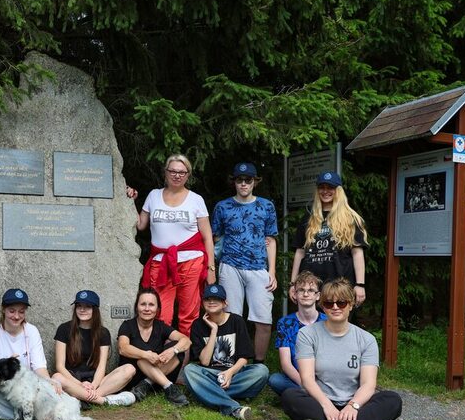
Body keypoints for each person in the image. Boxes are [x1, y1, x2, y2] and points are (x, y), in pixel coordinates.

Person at [281, 278, 402, 420]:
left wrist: (353, 406)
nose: (335, 307)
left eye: (341, 302)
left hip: (355, 404)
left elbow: (369, 384)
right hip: (321, 403)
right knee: (290, 397)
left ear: (351, 305)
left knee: (393, 400)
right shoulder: (307, 334)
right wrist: (328, 406)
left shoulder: (366, 339)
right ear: (322, 306)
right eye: (329, 303)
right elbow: (306, 379)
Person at [127, 154, 215, 336]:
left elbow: (207, 237)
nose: (177, 175)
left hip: (191, 262)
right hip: (162, 263)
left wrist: (211, 269)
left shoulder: (196, 200)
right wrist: (131, 200)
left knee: (188, 314)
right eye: (173, 171)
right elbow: (141, 225)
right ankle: (160, 357)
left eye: (182, 172)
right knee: (160, 313)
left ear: (188, 175)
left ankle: (185, 361)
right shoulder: (153, 195)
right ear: (165, 173)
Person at [211, 162, 278, 362]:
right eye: (239, 180)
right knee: (229, 317)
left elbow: (271, 239)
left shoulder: (266, 206)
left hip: (258, 267)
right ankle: (225, 361)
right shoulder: (222, 207)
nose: (243, 184)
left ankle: (258, 363)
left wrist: (272, 271)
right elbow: (215, 238)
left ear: (254, 182)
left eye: (248, 180)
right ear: (234, 182)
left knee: (264, 319)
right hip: (230, 266)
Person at [183, 284, 268, 420]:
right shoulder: (197, 325)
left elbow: (244, 357)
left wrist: (230, 373)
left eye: (216, 299)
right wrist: (214, 330)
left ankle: (208, 393)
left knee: (261, 371)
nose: (211, 302)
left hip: (234, 374)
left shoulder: (236, 321)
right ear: (203, 303)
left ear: (225, 303)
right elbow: (204, 361)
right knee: (189, 370)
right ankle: (232, 406)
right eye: (208, 299)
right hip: (209, 374)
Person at [0, 288, 63, 420]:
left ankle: (27, 413)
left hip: (25, 387)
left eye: (21, 312)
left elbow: (39, 367)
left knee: (47, 389)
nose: (17, 316)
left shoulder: (31, 331)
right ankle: (28, 415)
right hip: (2, 387)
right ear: (3, 309)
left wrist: (49, 382)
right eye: (12, 311)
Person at [290, 171, 368, 307]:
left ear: (338, 191)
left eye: (330, 187)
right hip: (310, 287)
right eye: (322, 187)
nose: (325, 191)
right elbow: (300, 252)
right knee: (310, 325)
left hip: (340, 285)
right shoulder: (308, 218)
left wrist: (360, 284)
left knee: (337, 325)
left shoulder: (351, 218)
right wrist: (293, 283)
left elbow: (357, 252)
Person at [51, 290, 136, 407]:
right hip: (72, 379)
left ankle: (82, 398)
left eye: (87, 307)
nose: (82, 309)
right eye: (79, 306)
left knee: (129, 369)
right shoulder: (64, 329)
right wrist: (80, 384)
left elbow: (101, 366)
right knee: (56, 377)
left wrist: (93, 385)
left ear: (95, 310)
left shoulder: (103, 332)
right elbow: (60, 366)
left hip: (96, 380)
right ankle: (104, 401)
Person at [117, 288, 192, 406]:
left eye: (151, 305)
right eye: (143, 304)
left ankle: (146, 384)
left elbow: (186, 340)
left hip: (156, 378)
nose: (147, 309)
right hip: (134, 377)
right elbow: (123, 348)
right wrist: (146, 355)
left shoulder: (160, 326)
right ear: (137, 307)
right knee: (140, 356)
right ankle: (169, 387)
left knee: (179, 349)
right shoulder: (128, 325)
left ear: (157, 309)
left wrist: (173, 350)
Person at [268, 271, 326, 396]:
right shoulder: (285, 323)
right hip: (297, 378)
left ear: (318, 296)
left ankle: (306, 395)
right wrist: (306, 384)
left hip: (324, 378)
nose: (306, 294)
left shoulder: (327, 321)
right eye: (301, 290)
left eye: (311, 290)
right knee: (275, 380)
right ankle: (312, 394)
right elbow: (286, 364)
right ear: (295, 293)